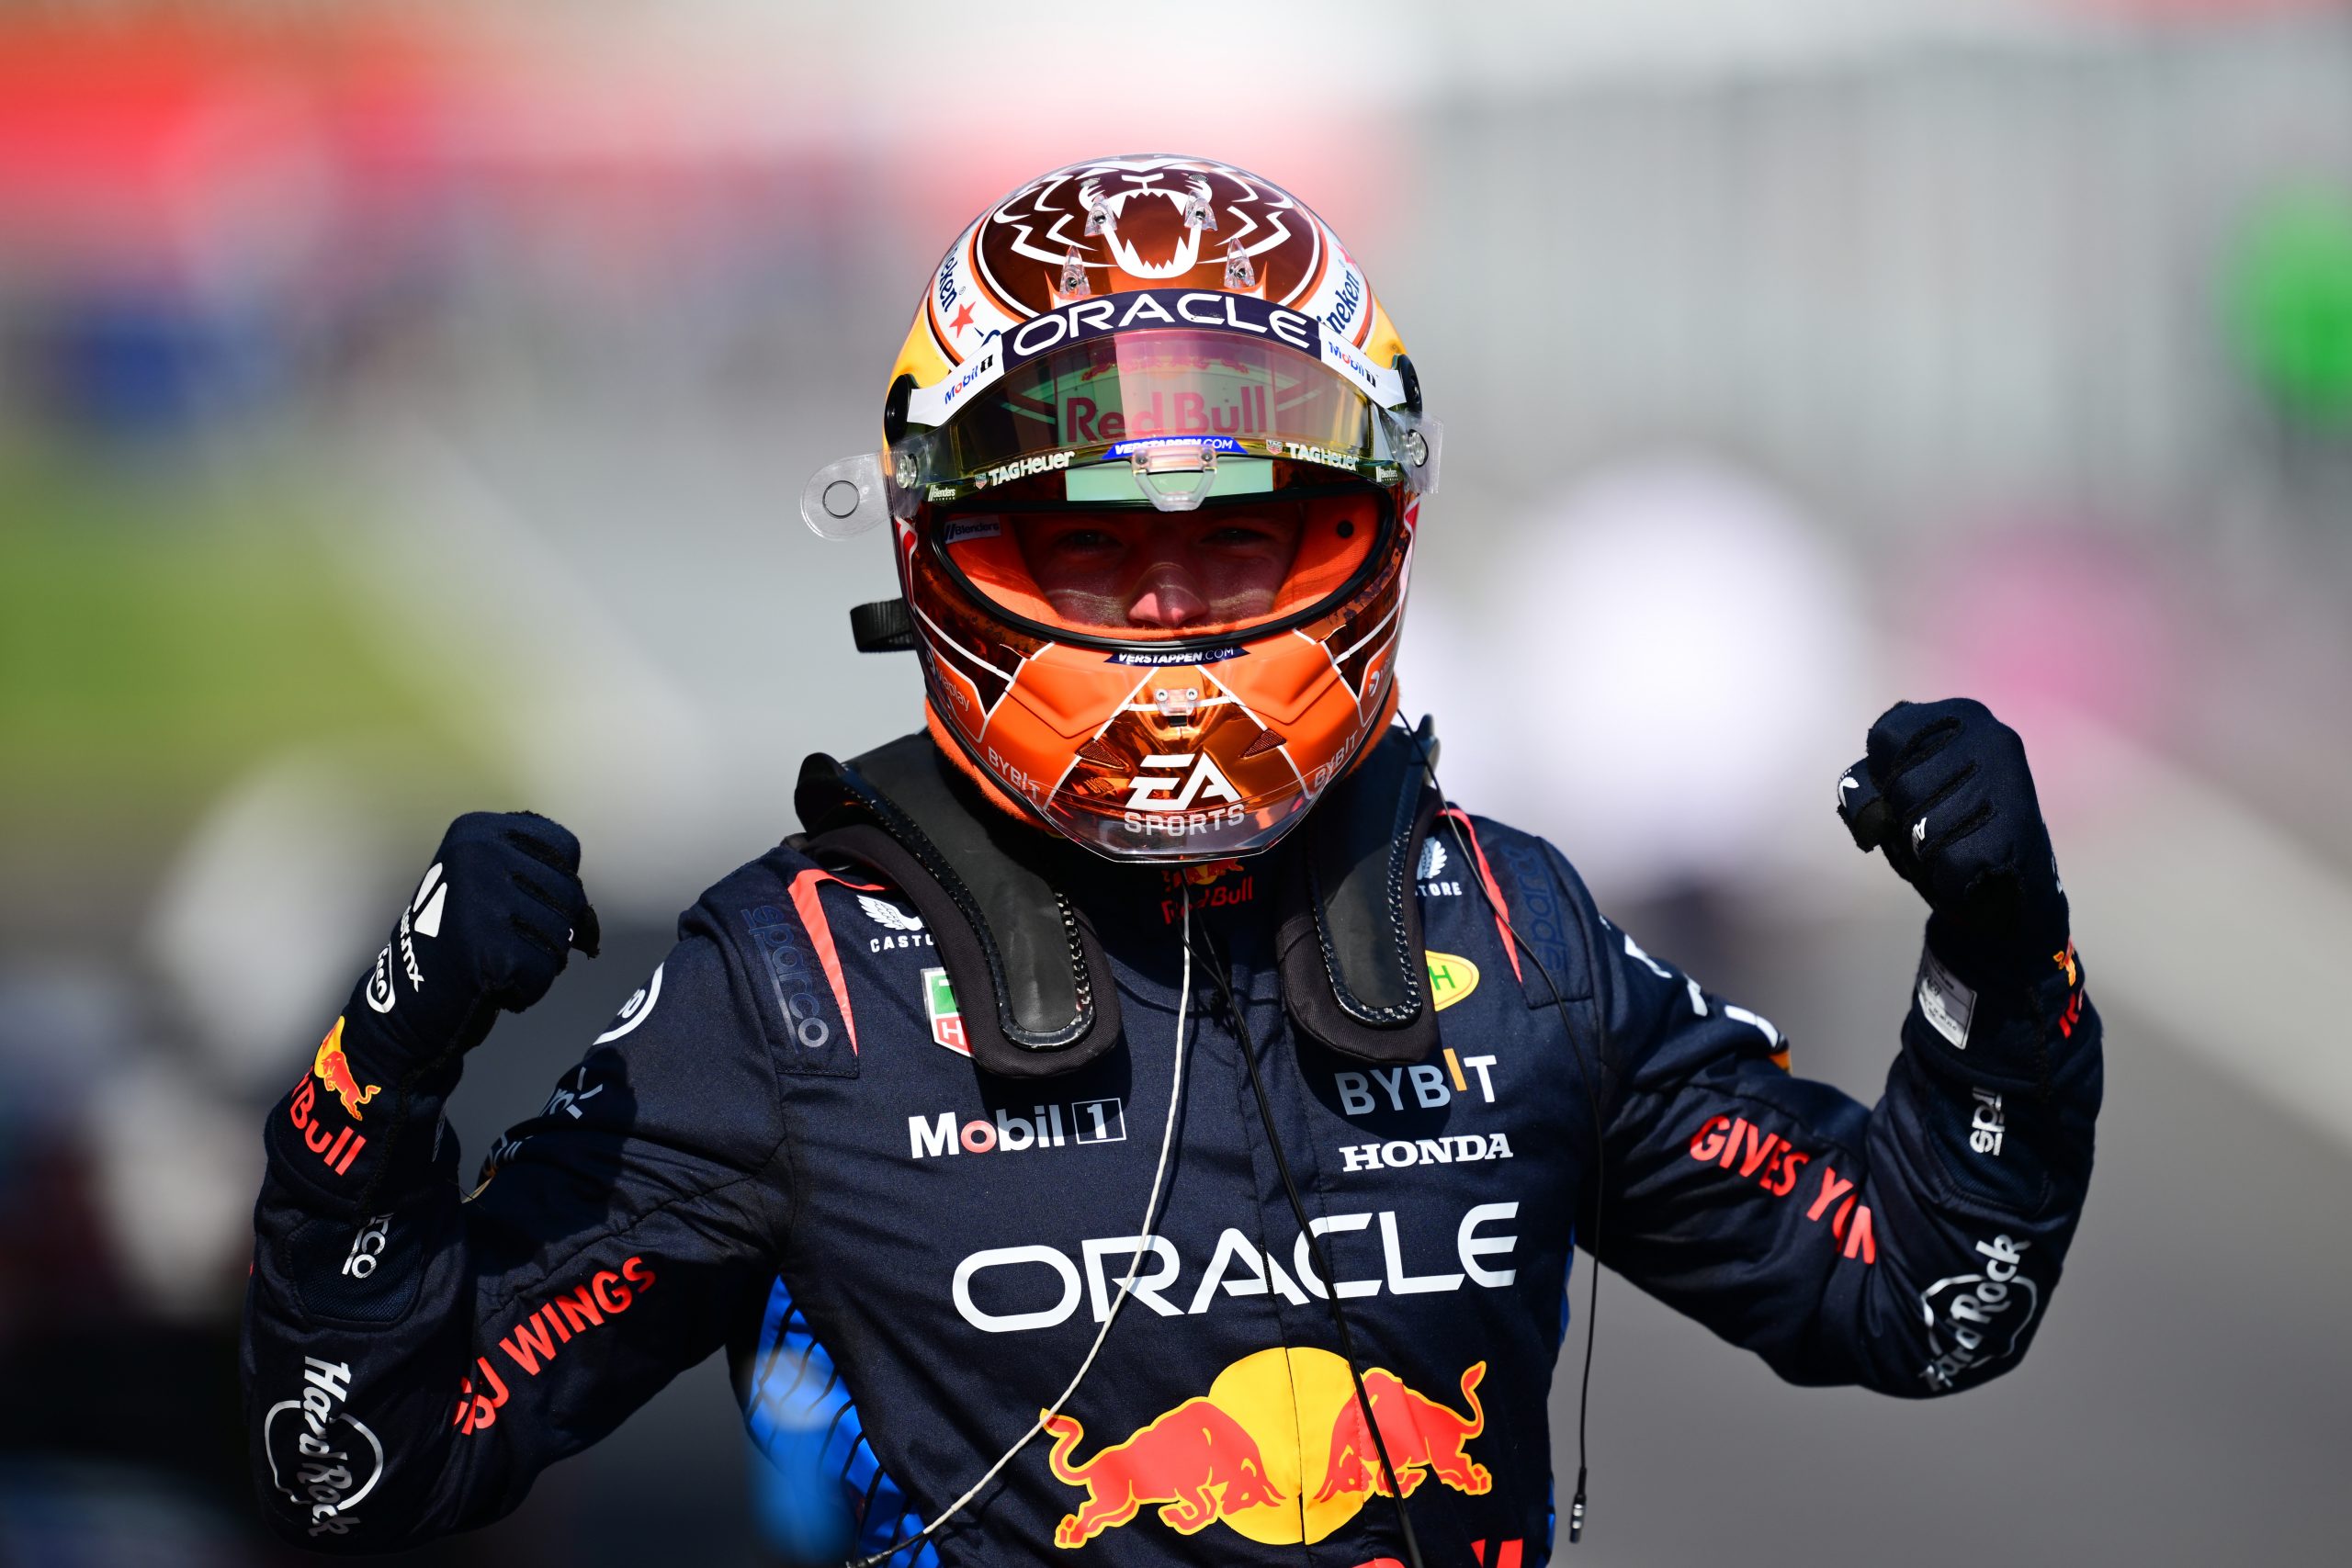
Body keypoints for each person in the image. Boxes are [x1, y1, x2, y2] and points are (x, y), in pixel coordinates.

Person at [242, 155, 2101, 1566]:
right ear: (932, 553)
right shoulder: (789, 981)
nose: (1160, 617)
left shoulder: (1509, 923)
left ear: (1372, 530)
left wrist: (2000, 953)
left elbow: (1921, 1293)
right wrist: (378, 1086)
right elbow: (370, 1455)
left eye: (1233, 544)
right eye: (1083, 547)